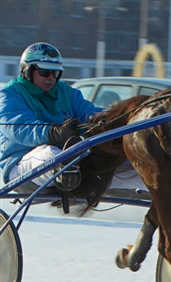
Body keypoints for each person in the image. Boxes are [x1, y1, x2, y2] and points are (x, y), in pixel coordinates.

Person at [0, 42, 144, 193]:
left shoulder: (66, 92)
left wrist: (119, 118)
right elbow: (19, 129)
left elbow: (90, 114)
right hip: (22, 163)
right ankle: (69, 174)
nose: (51, 78)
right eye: (44, 72)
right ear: (27, 71)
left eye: (55, 73)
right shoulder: (9, 94)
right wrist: (54, 133)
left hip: (72, 157)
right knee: (51, 153)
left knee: (135, 162)